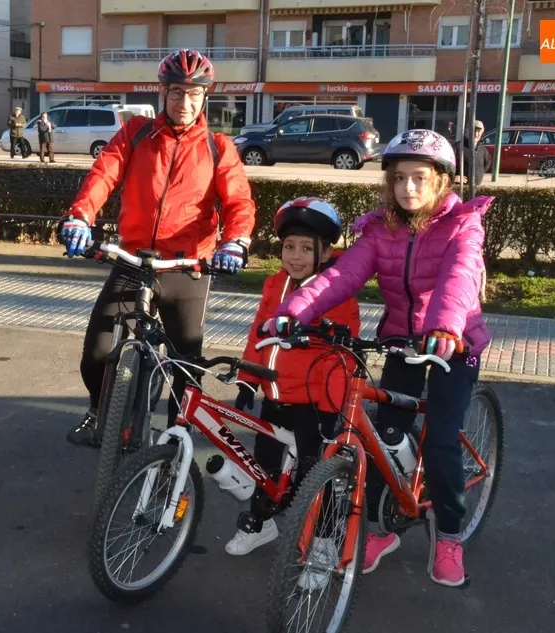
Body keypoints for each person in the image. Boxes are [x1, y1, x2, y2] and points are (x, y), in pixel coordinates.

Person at [269, 128, 493, 587]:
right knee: (380, 438)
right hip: (400, 342)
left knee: (440, 441)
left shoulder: (463, 225)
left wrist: (445, 328)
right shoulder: (380, 229)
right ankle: (381, 528)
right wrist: (293, 311)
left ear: (441, 181)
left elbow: (459, 278)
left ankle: (449, 535)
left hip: (453, 343)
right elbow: (341, 277)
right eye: (399, 178)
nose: (408, 188)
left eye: (420, 178)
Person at [56, 48, 256, 446]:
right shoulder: (137, 133)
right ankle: (99, 411)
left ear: (205, 96)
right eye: (177, 92)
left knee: (186, 364)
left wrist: (235, 242)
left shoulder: (218, 146)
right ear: (162, 92)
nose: (185, 102)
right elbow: (103, 174)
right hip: (134, 261)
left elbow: (239, 201)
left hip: (187, 266)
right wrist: (80, 216)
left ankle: (176, 443)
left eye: (194, 94)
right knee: (96, 354)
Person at [225, 197, 361, 557]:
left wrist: (331, 408)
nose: (295, 256)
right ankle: (261, 523)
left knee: (315, 474)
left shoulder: (336, 293)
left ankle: (324, 541)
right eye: (289, 247)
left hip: (314, 403)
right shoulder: (274, 285)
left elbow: (341, 355)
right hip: (275, 395)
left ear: (326, 252)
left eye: (305, 248)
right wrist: (248, 379)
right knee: (265, 467)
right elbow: (258, 335)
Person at [454, 120, 491, 186]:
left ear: (482, 132)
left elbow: (487, 163)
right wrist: (453, 178)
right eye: (473, 131)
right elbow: (445, 168)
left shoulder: (483, 150)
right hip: (459, 188)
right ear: (467, 131)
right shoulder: (457, 148)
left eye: (479, 131)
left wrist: (479, 174)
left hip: (476, 187)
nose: (476, 134)